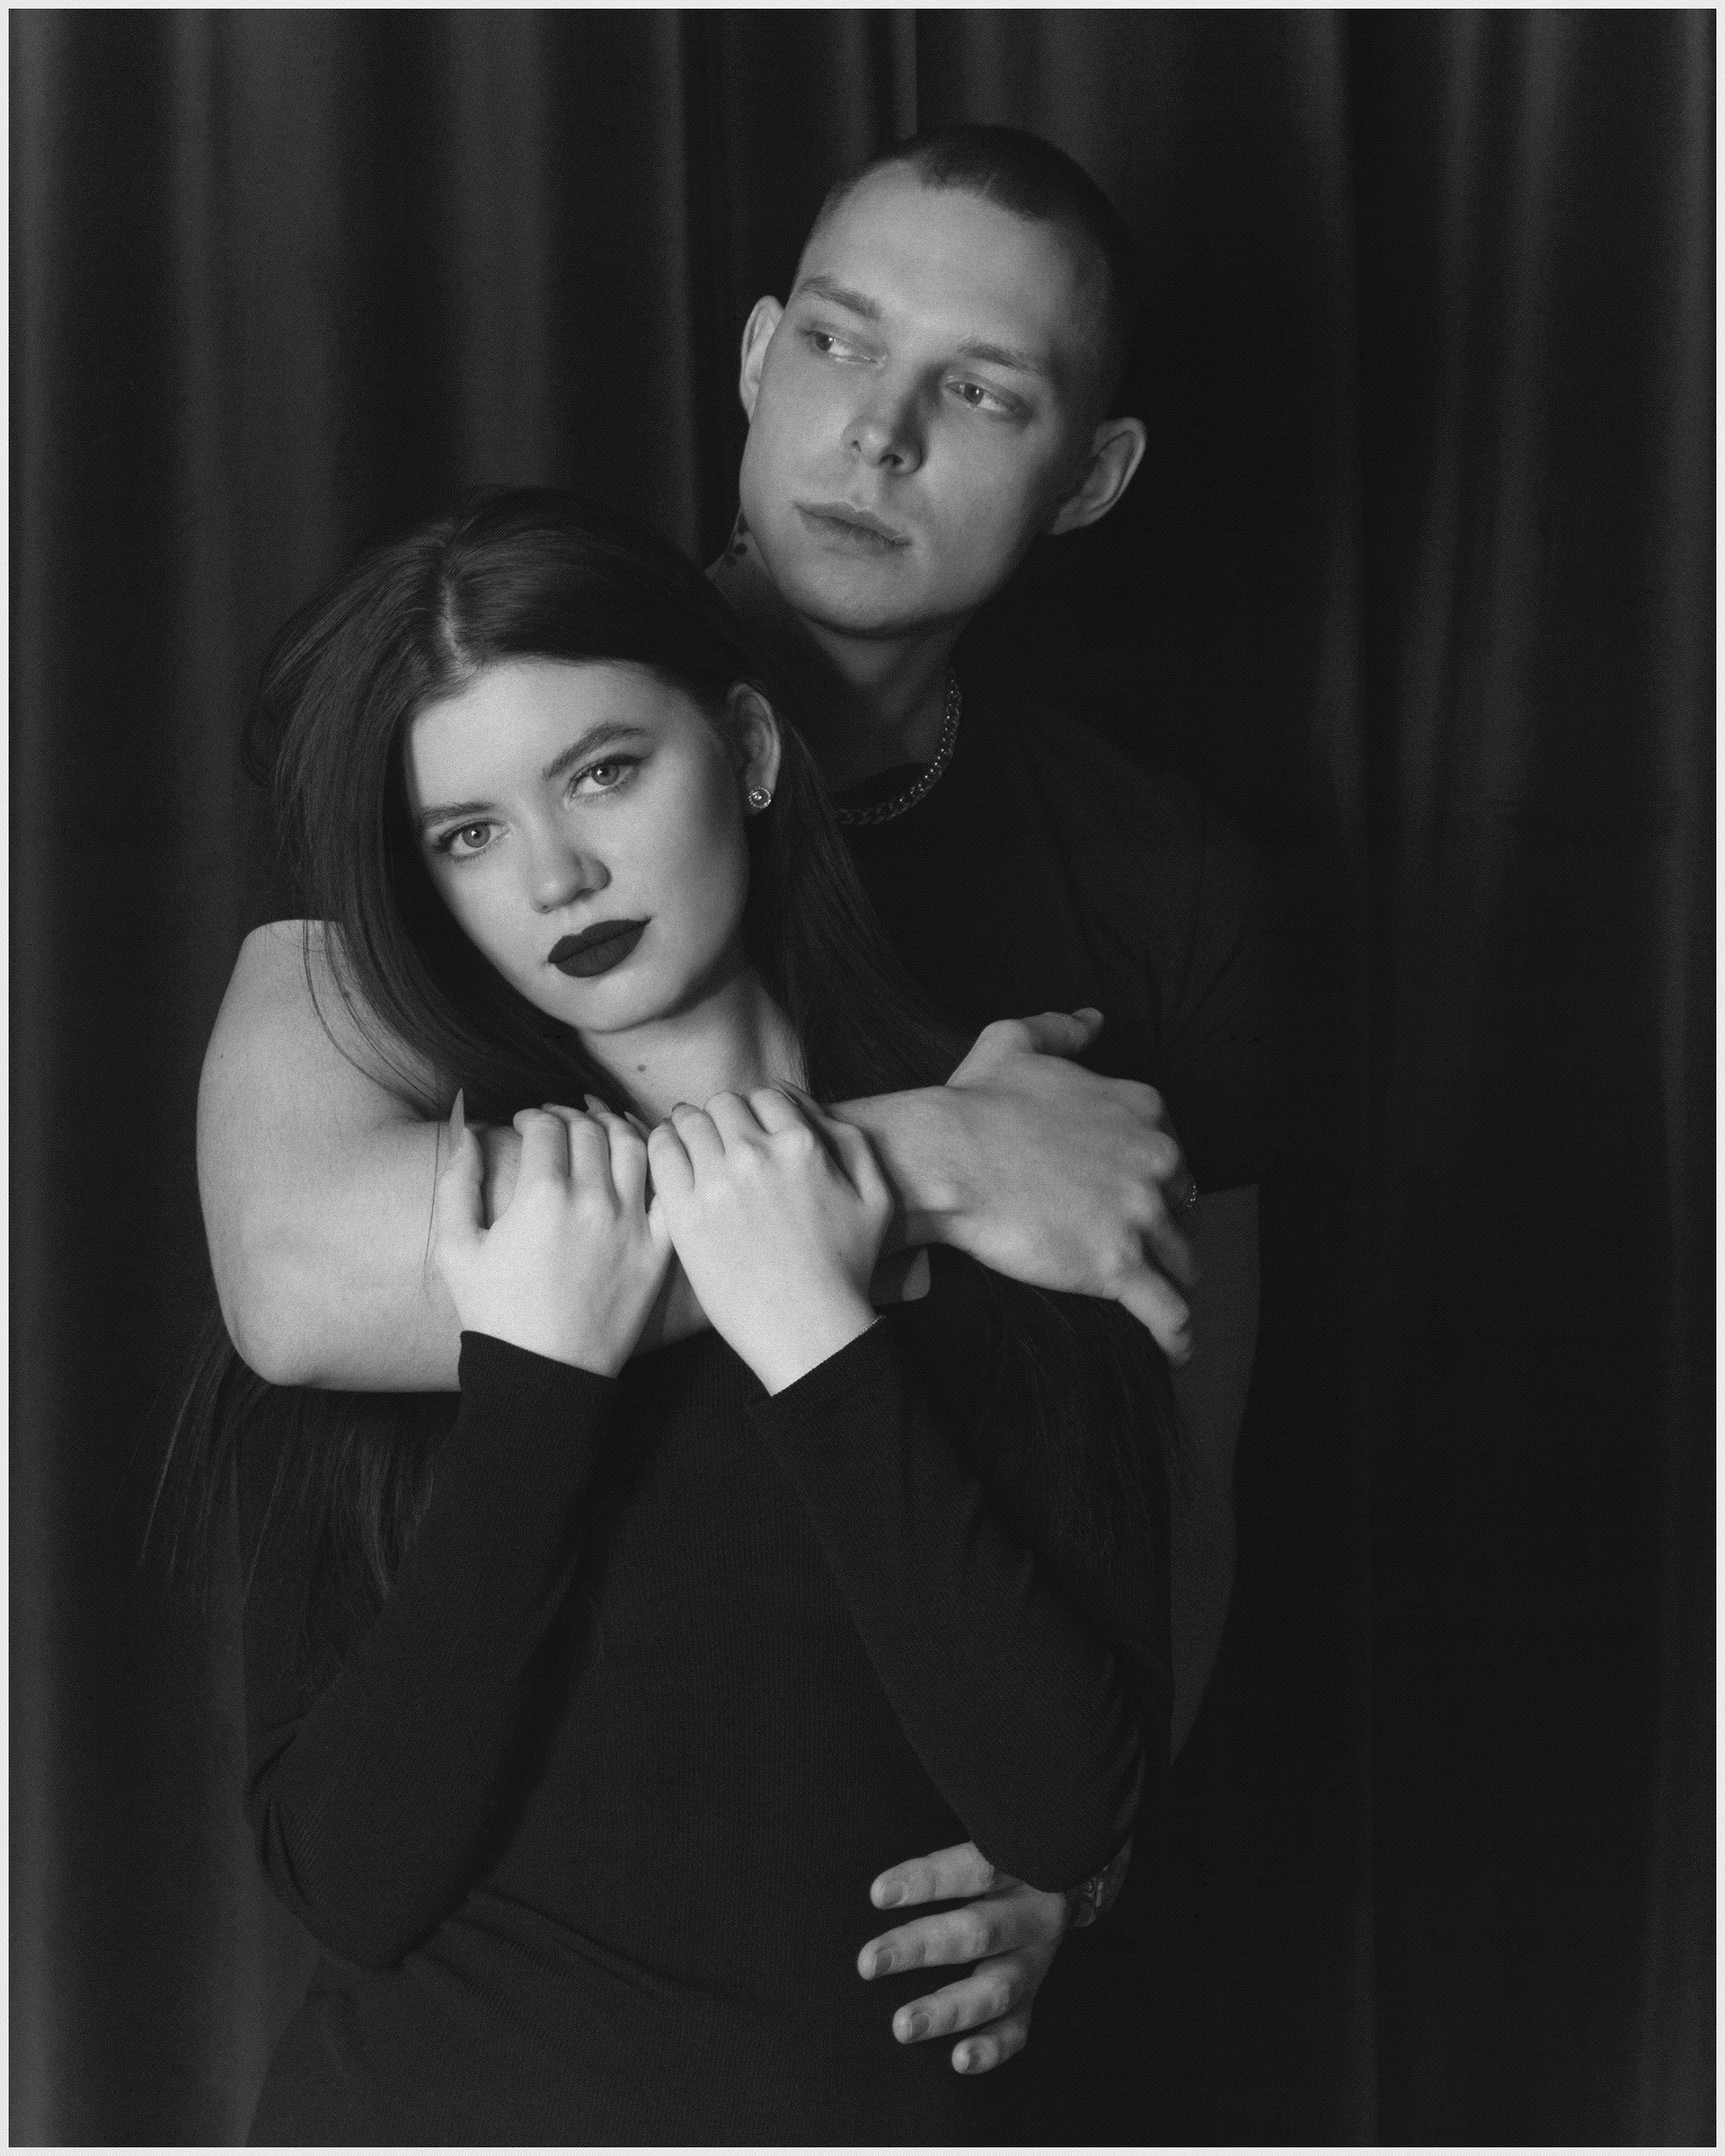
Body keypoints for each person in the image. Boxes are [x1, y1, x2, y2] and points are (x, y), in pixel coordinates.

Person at [199, 125, 1281, 2095]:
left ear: (1092, 474)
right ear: (759, 353)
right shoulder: (484, 686)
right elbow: (296, 1275)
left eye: (980, 391)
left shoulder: (1159, 881)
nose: (877, 437)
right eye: (842, 345)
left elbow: (1186, 1458)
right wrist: (932, 1160)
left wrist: (1084, 1854)